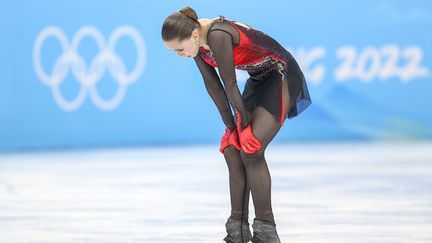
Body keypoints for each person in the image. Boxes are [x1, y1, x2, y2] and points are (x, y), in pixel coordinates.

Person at [161, 6, 311, 243]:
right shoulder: (197, 46)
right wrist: (231, 129)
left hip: (282, 74)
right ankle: (237, 231)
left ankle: (266, 230)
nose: (180, 55)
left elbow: (229, 83)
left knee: (251, 150)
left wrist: (241, 128)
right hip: (259, 79)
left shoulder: (217, 35)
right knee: (232, 150)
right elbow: (214, 87)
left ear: (194, 36)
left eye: (179, 49)